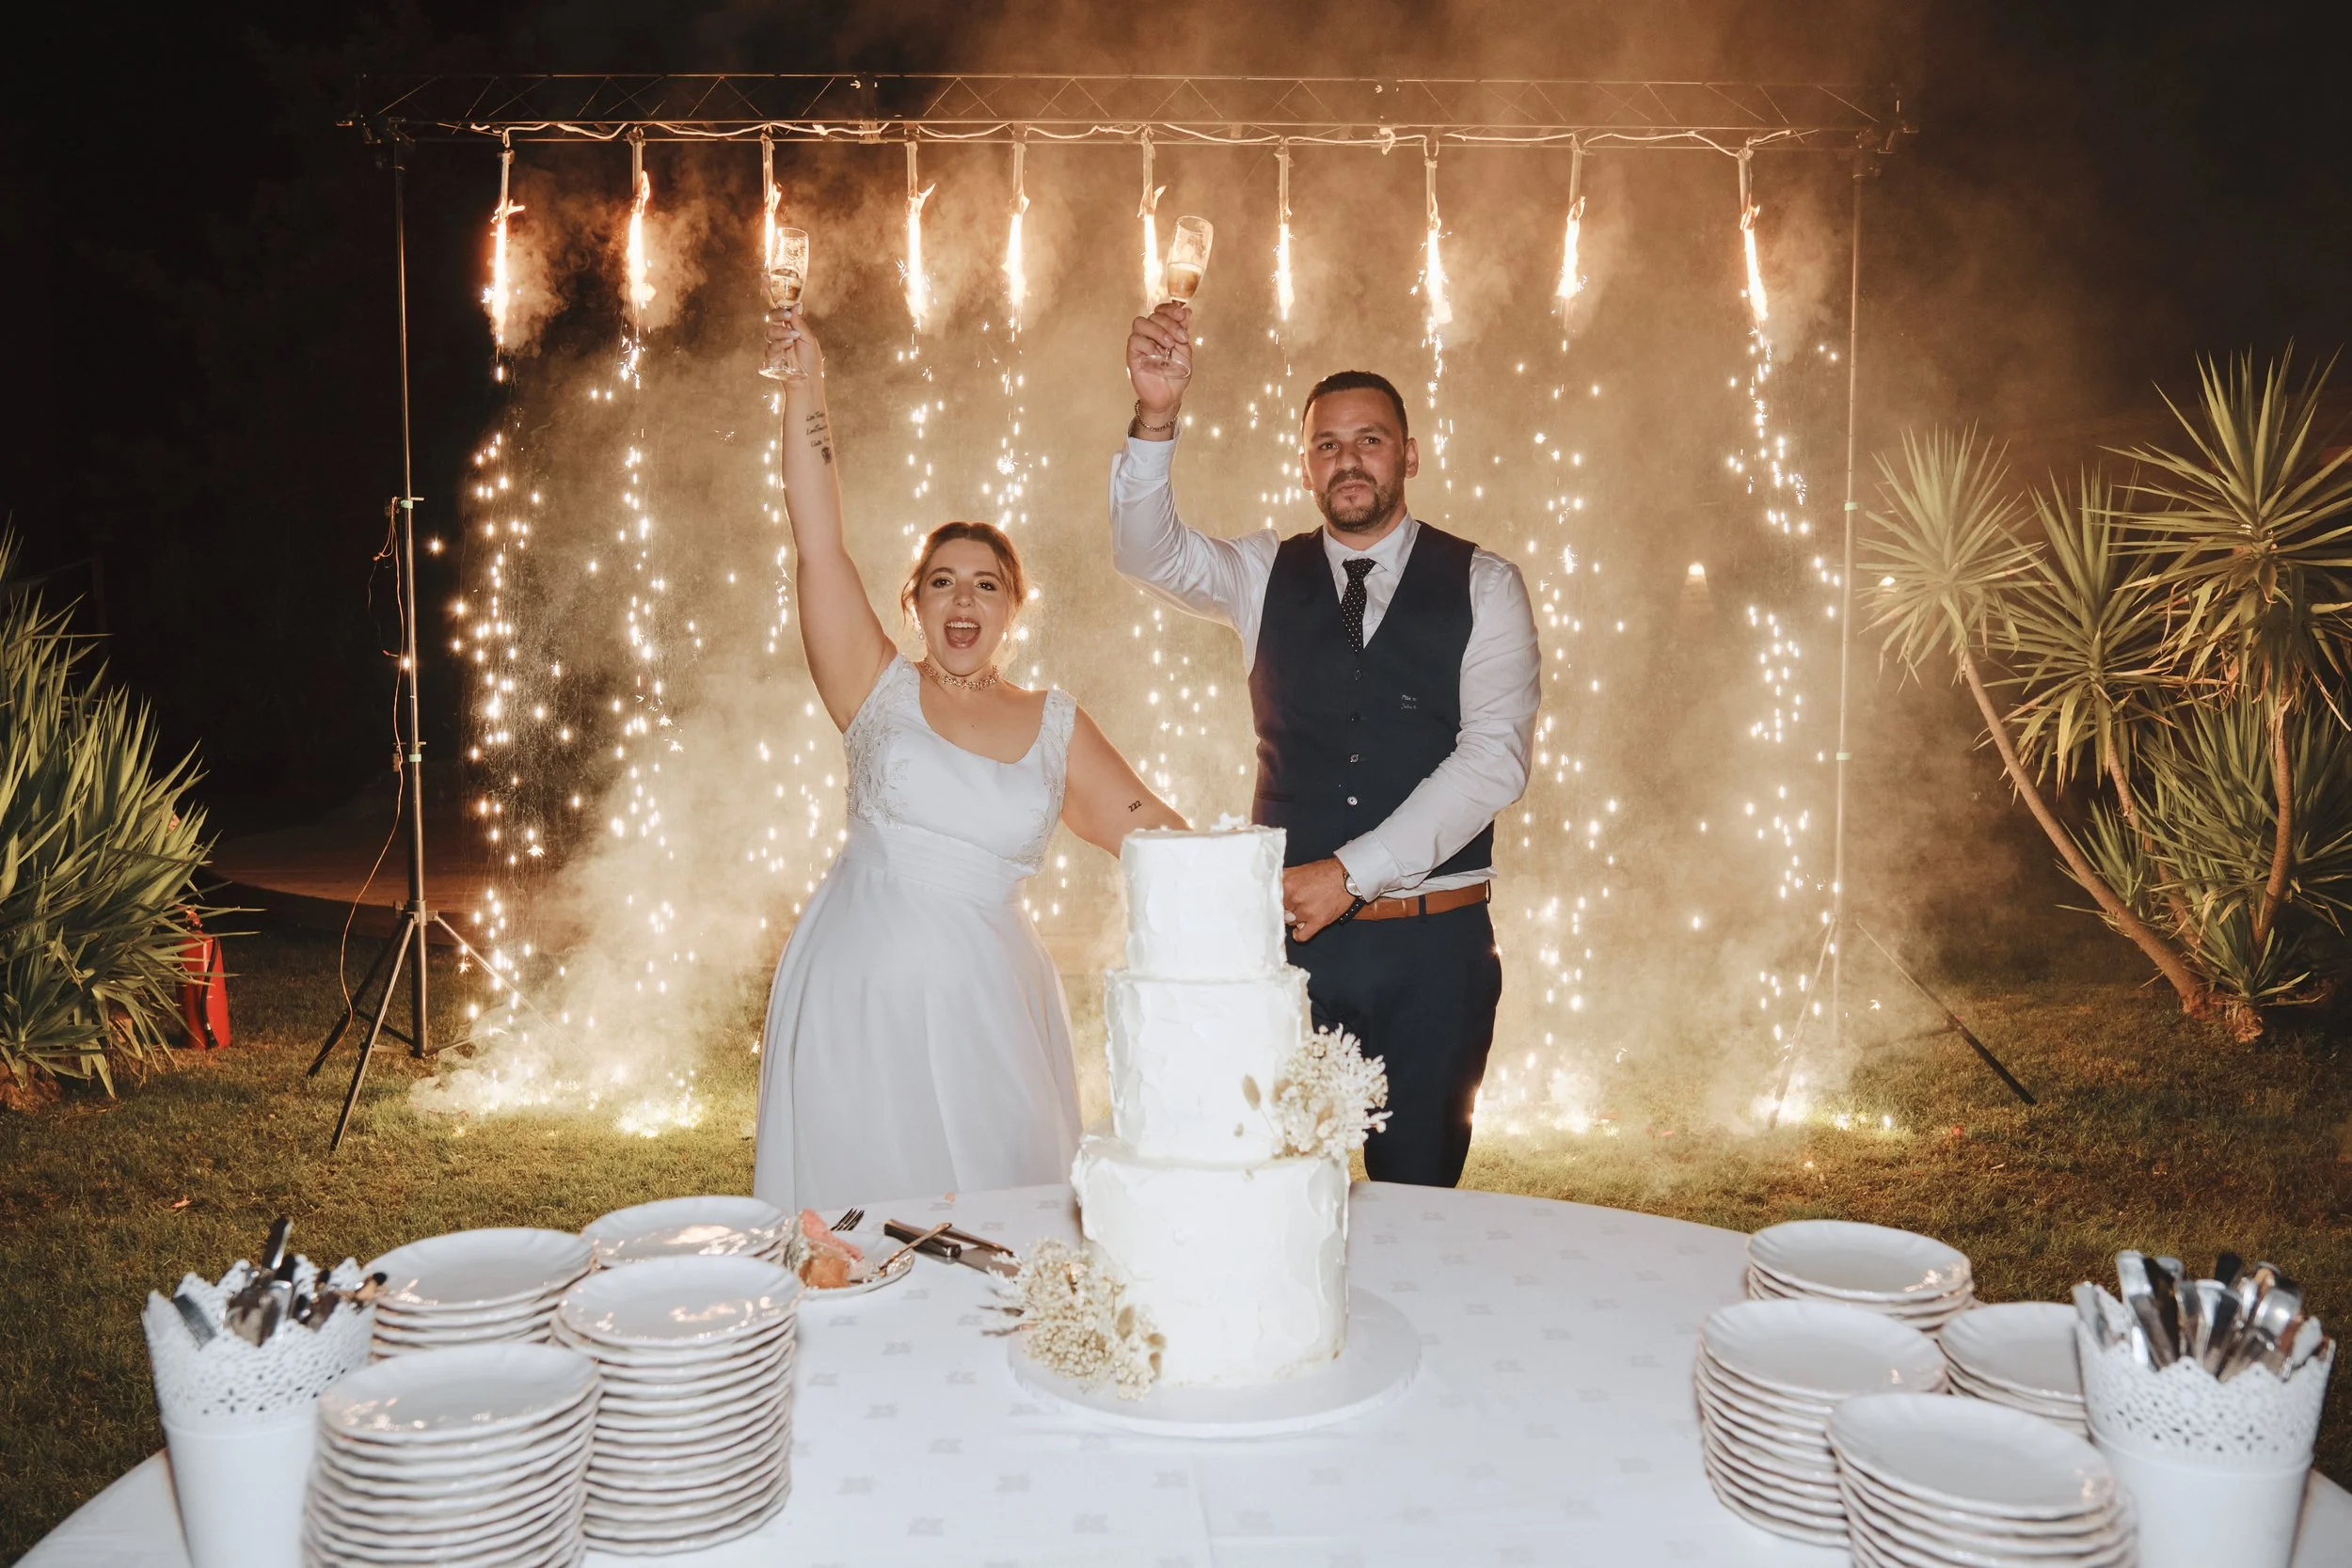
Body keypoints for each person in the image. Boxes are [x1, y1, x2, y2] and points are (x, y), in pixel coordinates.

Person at [754, 308, 1184, 1212]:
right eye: (942, 580)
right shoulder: (871, 686)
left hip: (990, 1010)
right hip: (854, 996)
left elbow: (1162, 837)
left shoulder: (1055, 722)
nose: (964, 596)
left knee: (1001, 1216)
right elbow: (817, 534)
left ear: (1012, 609)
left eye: (986, 583)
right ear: (912, 603)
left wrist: (1283, 877)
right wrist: (807, 384)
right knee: (856, 1216)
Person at [1111, 302, 1541, 1189]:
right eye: (1327, 444)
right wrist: (1157, 417)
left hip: (1437, 950)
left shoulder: (1486, 583)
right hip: (1291, 952)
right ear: (1307, 465)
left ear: (1409, 455)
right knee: (1272, 1191)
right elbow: (1145, 550)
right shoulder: (1263, 572)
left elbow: (1492, 758)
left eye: (1370, 439)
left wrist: (1350, 871)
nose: (1349, 459)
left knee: (1420, 1202)